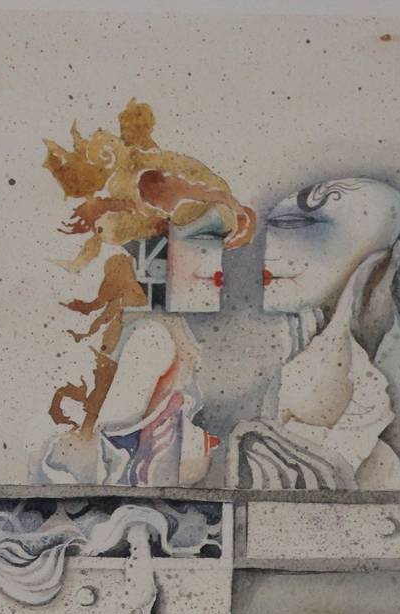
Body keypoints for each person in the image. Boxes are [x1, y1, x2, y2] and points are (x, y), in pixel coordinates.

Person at [34, 99, 255, 486]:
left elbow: (183, 211)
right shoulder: (125, 201)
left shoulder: (151, 178)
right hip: (154, 306)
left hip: (168, 297)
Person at [227, 177, 400, 490]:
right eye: (273, 225)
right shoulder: (298, 350)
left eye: (297, 225)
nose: (270, 247)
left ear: (380, 259)